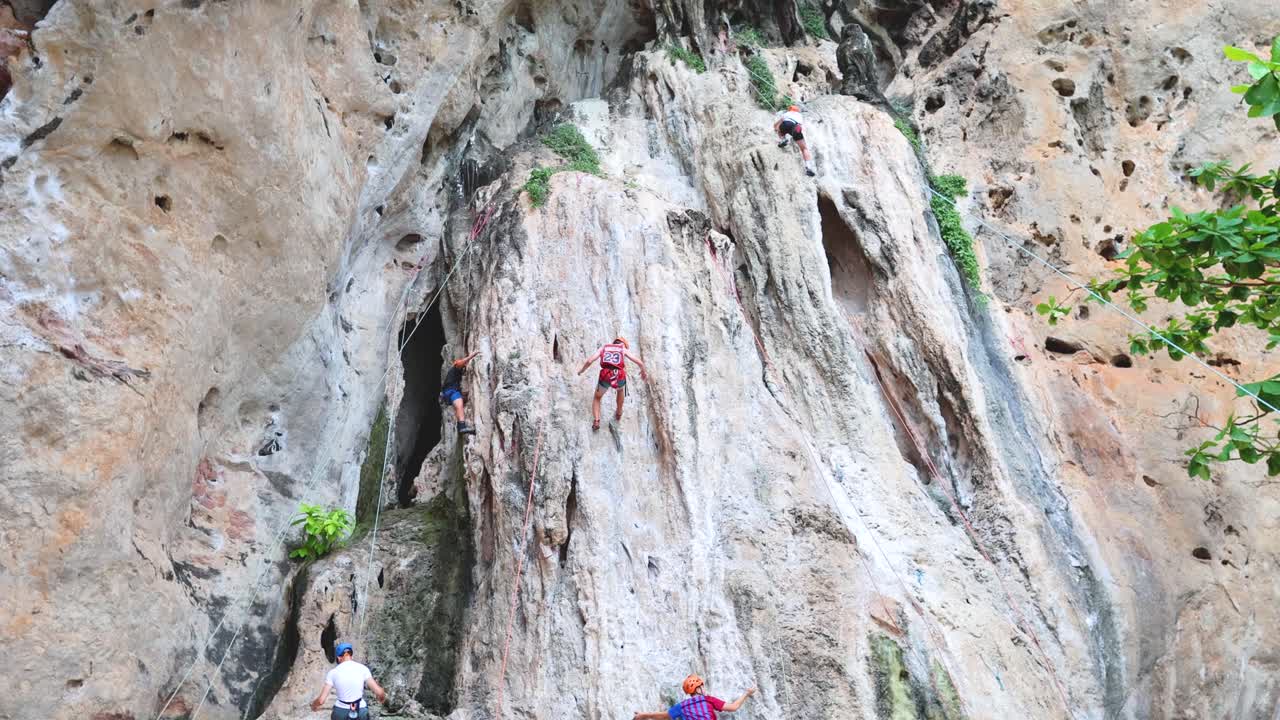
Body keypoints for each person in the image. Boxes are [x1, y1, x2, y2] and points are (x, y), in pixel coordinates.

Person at [577, 336, 647, 431]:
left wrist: (581, 370)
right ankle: (618, 412)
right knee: (620, 390)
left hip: (606, 375)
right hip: (619, 375)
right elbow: (639, 362)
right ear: (623, 345)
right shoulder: (623, 349)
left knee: (597, 397)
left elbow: (590, 361)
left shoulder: (604, 347)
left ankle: (596, 421)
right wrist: (643, 371)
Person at [309, 642, 387, 720]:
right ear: (351, 655)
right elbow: (379, 692)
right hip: (360, 710)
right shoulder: (363, 669)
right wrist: (382, 698)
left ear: (339, 658)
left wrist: (314, 705)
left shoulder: (333, 672)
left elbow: (321, 700)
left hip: (341, 712)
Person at [632, 674, 756, 720]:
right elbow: (734, 707)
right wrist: (747, 693)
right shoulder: (708, 699)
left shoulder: (682, 706)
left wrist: (643, 715)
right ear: (698, 688)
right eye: (702, 686)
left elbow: (663, 716)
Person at [440, 350, 479, 435]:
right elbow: (460, 363)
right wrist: (472, 355)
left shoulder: (455, 372)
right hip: (451, 390)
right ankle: (462, 427)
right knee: (459, 404)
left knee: (459, 405)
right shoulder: (456, 366)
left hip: (447, 392)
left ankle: (461, 427)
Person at [773, 104, 816, 177]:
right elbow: (800, 126)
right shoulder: (799, 116)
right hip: (796, 128)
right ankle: (808, 168)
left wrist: (776, 127)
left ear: (790, 110)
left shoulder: (786, 114)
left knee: (779, 130)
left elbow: (776, 125)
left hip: (786, 124)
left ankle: (784, 139)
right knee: (804, 148)